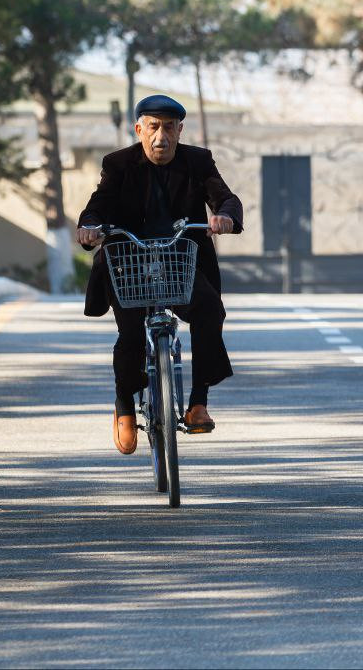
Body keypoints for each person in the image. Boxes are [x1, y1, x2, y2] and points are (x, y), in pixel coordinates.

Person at [76, 94, 243, 455]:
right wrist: (89, 226)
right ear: (139, 130)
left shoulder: (198, 161)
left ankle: (198, 403)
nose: (160, 136)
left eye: (169, 128)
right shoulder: (118, 164)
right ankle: (124, 404)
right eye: (153, 127)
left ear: (180, 131)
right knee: (131, 335)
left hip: (181, 261)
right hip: (129, 261)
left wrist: (225, 216)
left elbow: (226, 198)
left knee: (209, 309)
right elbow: (97, 205)